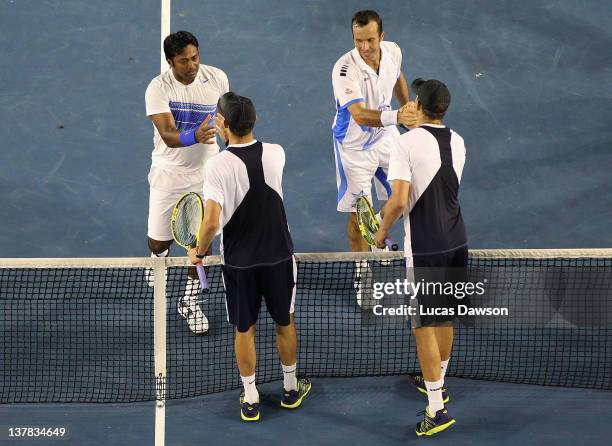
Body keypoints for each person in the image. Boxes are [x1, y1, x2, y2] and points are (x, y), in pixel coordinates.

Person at [188, 92, 311, 422]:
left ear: (223, 124)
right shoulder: (276, 153)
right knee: (284, 322)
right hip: (279, 257)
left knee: (245, 329)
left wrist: (198, 253)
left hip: (240, 263)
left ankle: (251, 397)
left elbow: (212, 221)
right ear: (254, 120)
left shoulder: (217, 165)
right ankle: (289, 388)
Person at [374, 79, 467, 436]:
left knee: (424, 326)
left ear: (417, 104)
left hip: (426, 245)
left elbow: (398, 201)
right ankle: (438, 382)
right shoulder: (458, 141)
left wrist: (381, 234)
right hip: (457, 239)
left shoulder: (405, 142)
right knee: (445, 317)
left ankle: (436, 409)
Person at [144, 31, 229, 334]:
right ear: (171, 62)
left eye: (195, 58)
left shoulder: (217, 78)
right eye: (184, 61)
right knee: (159, 239)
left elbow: (223, 120)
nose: (192, 65)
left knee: (200, 245)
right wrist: (195, 135)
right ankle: (157, 257)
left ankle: (190, 301)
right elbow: (168, 133)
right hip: (169, 173)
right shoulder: (158, 88)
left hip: (206, 175)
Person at [332, 10, 417, 307]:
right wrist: (398, 115)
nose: (365, 47)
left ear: (381, 37)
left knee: (404, 194)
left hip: (385, 136)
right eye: (358, 41)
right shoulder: (344, 70)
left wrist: (406, 107)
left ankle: (377, 232)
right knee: (357, 217)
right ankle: (362, 270)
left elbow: (396, 76)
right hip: (354, 149)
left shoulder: (392, 52)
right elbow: (359, 116)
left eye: (370, 40)